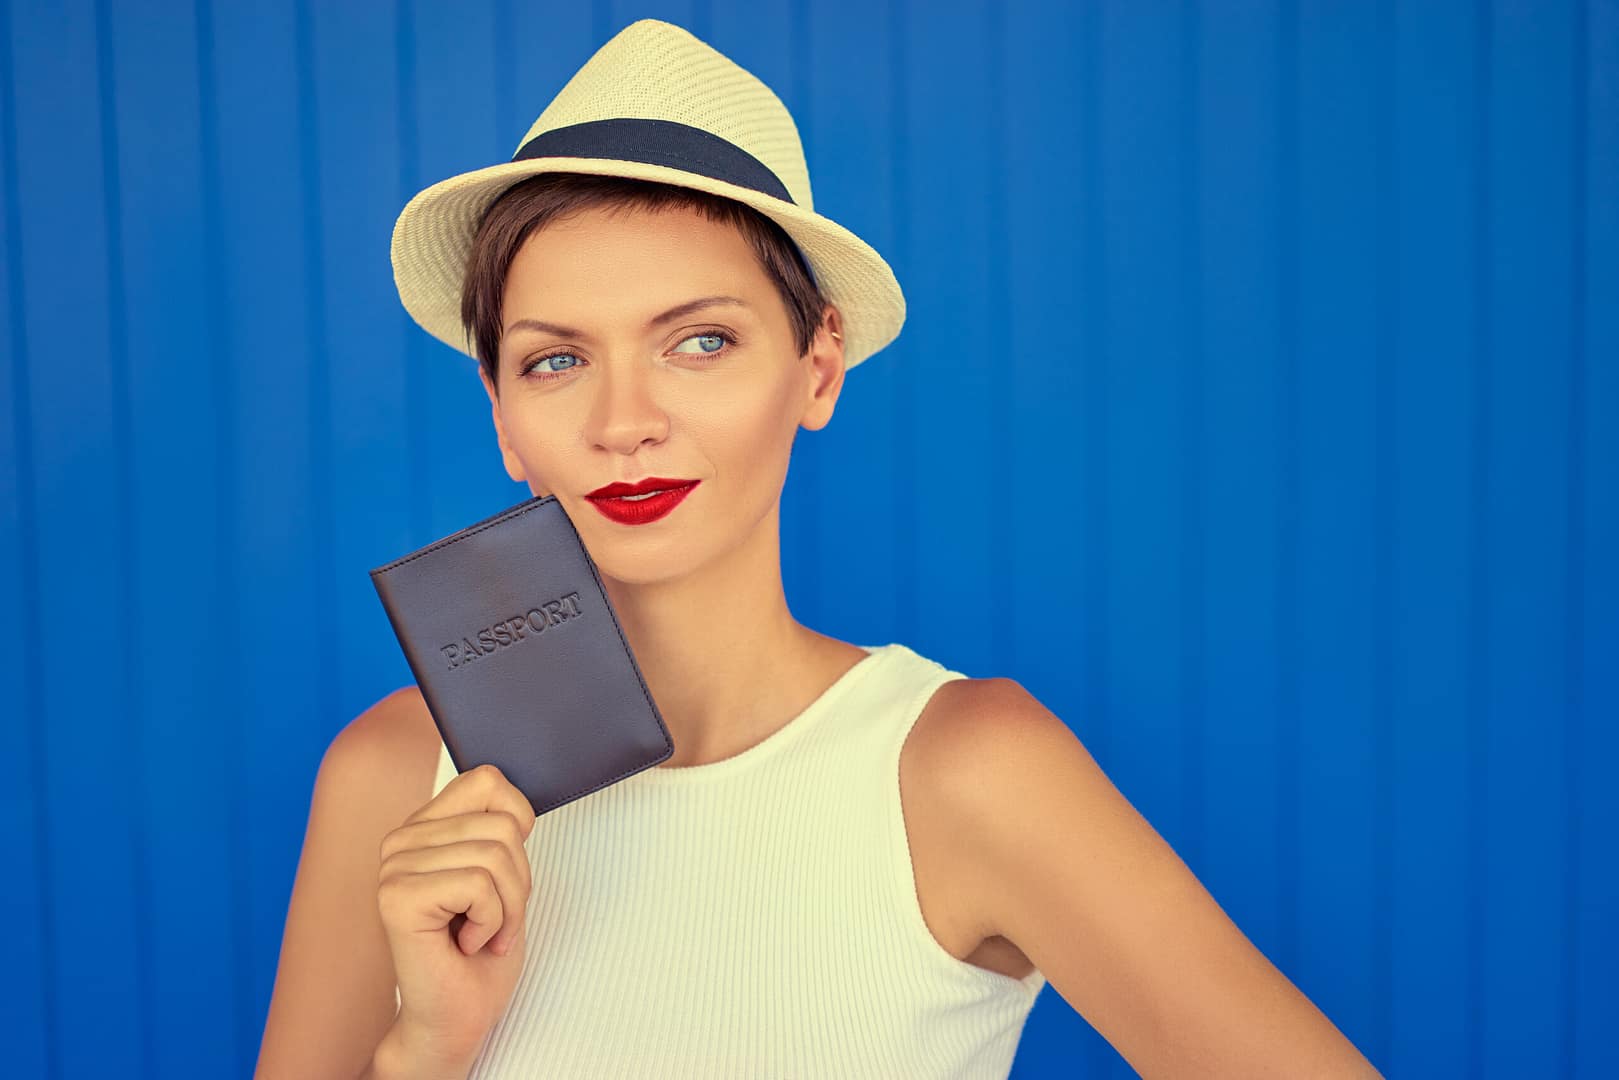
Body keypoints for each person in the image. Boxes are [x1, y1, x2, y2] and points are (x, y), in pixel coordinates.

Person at [255, 18, 1382, 1080]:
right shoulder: (391, 779)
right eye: (554, 361)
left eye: (699, 341)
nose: (623, 421)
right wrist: (425, 1052)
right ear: (501, 416)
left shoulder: (969, 771)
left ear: (818, 367)